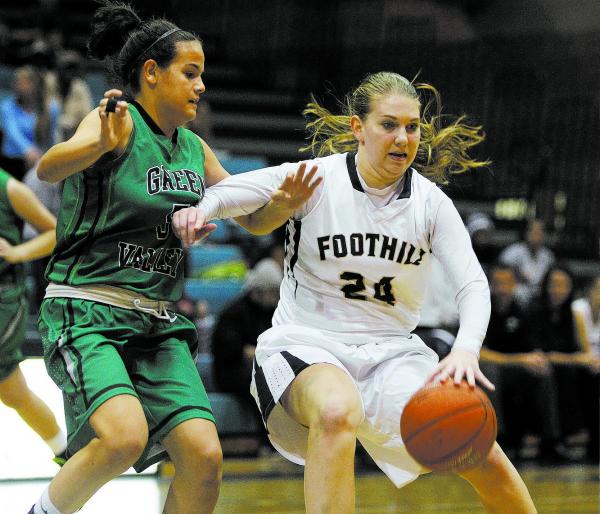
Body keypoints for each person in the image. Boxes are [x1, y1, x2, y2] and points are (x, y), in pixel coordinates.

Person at [173, 72, 537, 513]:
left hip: (390, 355)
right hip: (306, 345)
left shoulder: (430, 203)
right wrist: (201, 211)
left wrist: (465, 351)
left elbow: (473, 285)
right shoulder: (318, 179)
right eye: (389, 124)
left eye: (413, 126)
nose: (403, 137)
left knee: (478, 444)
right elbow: (235, 190)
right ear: (357, 128)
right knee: (335, 410)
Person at [28, 3, 317, 514]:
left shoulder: (194, 149)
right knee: (122, 438)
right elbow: (51, 169)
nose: (201, 85)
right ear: (151, 73)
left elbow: (250, 219)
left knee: (204, 456)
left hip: (156, 323)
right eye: (190, 73)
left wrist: (284, 206)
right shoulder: (113, 120)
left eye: (202, 74)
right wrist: (96, 146)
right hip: (88, 309)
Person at [0, 167, 67, 464]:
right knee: (14, 392)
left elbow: (55, 232)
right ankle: (65, 452)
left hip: (4, 298)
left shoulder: (10, 188)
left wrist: (16, 253)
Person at [479, 265, 563, 463]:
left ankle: (550, 441)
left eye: (507, 283)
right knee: (490, 370)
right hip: (488, 370)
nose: (502, 288)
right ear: (490, 285)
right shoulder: (481, 309)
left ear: (514, 285)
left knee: (543, 371)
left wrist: (536, 359)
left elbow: (532, 349)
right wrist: (517, 360)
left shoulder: (522, 311)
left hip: (514, 371)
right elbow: (479, 353)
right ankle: (499, 439)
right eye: (498, 283)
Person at [528, 265, 600, 463]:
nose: (557, 290)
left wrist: (588, 361)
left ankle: (595, 444)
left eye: (563, 285)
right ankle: (552, 442)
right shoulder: (535, 311)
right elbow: (539, 355)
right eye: (553, 284)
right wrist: (576, 359)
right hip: (540, 370)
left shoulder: (572, 314)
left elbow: (585, 353)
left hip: (568, 370)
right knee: (552, 375)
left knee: (594, 376)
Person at [0, 65, 59, 180]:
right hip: (13, 162)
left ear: (34, 85)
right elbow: (13, 133)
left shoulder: (50, 108)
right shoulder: (7, 107)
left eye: (23, 83)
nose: (18, 86)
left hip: (40, 162)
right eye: (17, 83)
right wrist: (28, 150)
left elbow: (52, 137)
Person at [498, 218, 555, 308]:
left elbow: (546, 281)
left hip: (538, 299)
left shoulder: (548, 256)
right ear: (526, 233)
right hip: (515, 297)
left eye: (540, 231)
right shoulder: (512, 252)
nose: (537, 235)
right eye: (533, 231)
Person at [572, 274, 600, 357]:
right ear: (590, 291)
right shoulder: (578, 308)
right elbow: (584, 348)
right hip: (580, 359)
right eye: (599, 290)